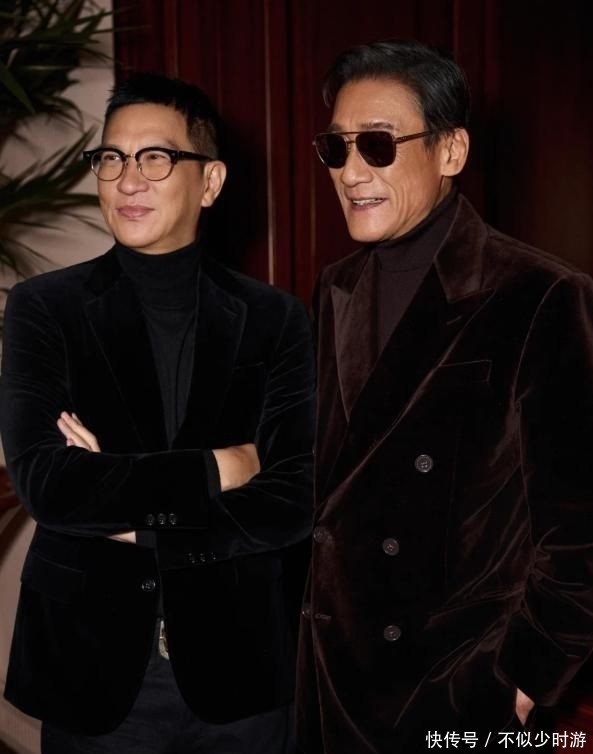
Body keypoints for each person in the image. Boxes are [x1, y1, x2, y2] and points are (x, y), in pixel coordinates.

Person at [0, 72, 315, 754]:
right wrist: (221, 467)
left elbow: (293, 497)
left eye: (155, 158)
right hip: (93, 669)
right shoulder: (44, 309)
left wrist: (137, 522)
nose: (127, 180)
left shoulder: (277, 319)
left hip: (242, 670)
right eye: (111, 158)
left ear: (210, 182)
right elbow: (48, 485)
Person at [296, 39, 593, 753]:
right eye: (336, 148)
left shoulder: (541, 296)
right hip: (333, 682)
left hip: (455, 690)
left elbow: (581, 531)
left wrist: (516, 686)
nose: (351, 172)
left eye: (376, 144)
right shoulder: (335, 289)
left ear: (450, 151)